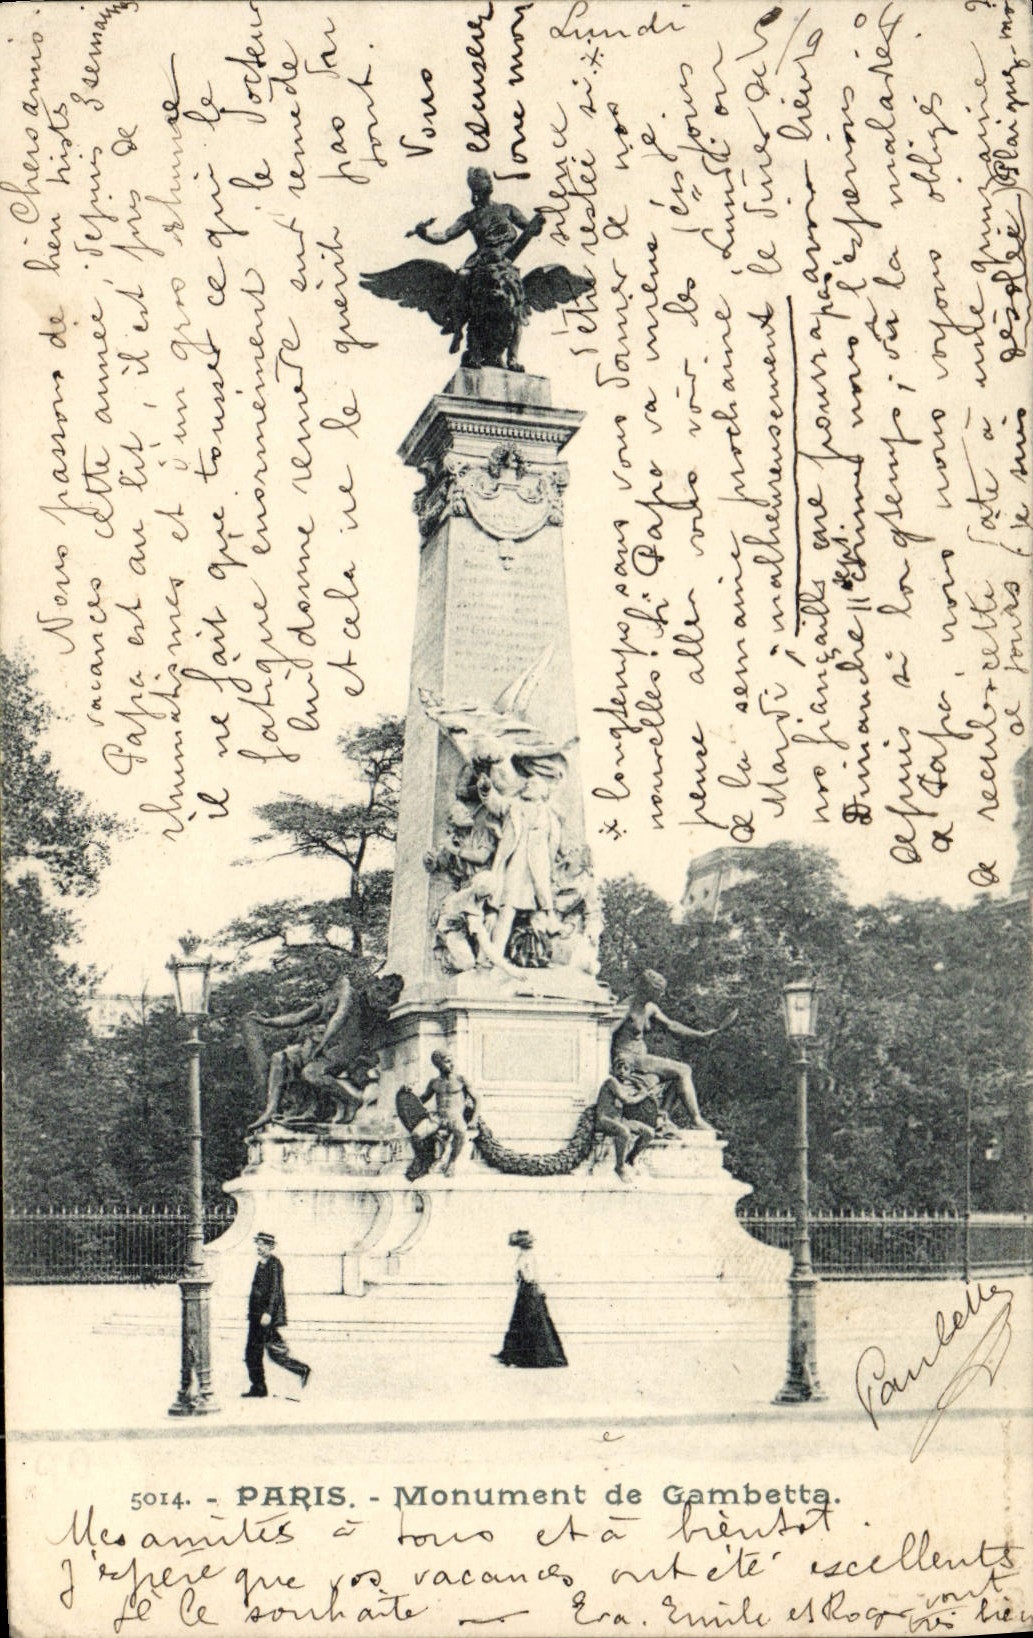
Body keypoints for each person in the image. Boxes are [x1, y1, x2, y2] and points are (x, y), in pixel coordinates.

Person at [610, 969, 736, 1131]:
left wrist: (701, 1035)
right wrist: (611, 1066)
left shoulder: (650, 1008)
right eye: (659, 991)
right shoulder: (627, 1007)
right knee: (683, 1071)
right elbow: (606, 1033)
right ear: (649, 990)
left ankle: (662, 1115)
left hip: (641, 1058)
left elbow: (672, 1026)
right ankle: (696, 1119)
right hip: (629, 1058)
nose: (662, 995)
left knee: (678, 1075)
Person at [243, 1232, 311, 1398]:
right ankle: (259, 1387)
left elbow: (275, 1291)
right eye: (258, 1244)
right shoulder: (261, 1264)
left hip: (265, 1318)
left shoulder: (274, 1264)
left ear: (271, 1247)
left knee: (266, 1352)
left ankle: (300, 1370)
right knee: (256, 1352)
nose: (259, 1248)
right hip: (256, 1316)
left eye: (263, 1245)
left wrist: (268, 1313)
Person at [495, 1230, 567, 1368]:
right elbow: (530, 1276)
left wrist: (525, 1282)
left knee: (524, 1320)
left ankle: (525, 1356)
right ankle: (539, 1356)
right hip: (530, 1290)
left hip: (526, 1291)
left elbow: (523, 1276)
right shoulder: (527, 1257)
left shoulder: (523, 1257)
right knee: (534, 1321)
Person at [594, 1054, 659, 1179]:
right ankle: (619, 1166)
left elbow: (639, 1091)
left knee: (649, 1133)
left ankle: (631, 1158)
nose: (622, 1071)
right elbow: (627, 1100)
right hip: (604, 1119)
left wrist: (633, 1080)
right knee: (624, 1132)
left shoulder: (623, 1085)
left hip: (618, 1120)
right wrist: (643, 1095)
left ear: (630, 1071)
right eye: (619, 1067)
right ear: (612, 1069)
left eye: (626, 1068)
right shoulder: (611, 1082)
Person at [420, 1049, 479, 1176]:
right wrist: (408, 1095)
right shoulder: (434, 1082)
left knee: (461, 1132)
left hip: (455, 1117)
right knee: (417, 1134)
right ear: (438, 1064)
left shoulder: (461, 1079)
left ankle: (452, 1162)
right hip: (438, 1118)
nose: (452, 1064)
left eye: (452, 1061)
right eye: (447, 1062)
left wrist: (474, 1119)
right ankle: (424, 1162)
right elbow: (422, 1099)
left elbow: (477, 1099)